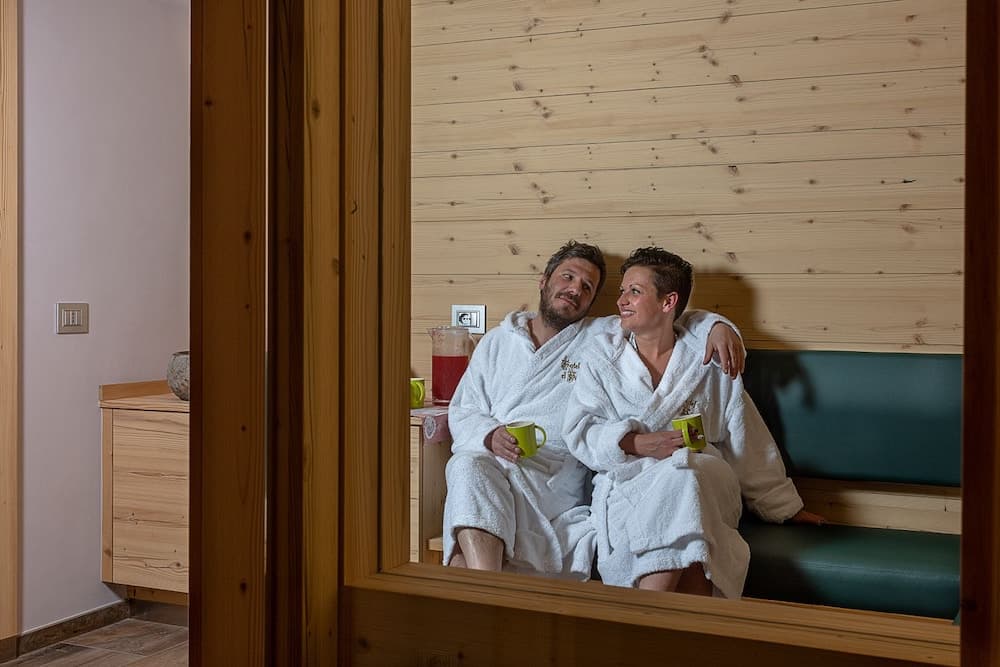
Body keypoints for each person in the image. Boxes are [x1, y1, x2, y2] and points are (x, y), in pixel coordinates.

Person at [442, 240, 747, 580]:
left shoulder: (599, 335)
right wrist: (489, 435)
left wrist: (718, 327)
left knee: (461, 559)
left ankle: (483, 597)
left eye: (587, 287)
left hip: (553, 480)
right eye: (568, 277)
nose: (575, 289)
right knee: (465, 465)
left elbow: (668, 318)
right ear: (544, 280)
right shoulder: (497, 341)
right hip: (496, 465)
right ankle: (489, 589)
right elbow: (464, 409)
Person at [562, 246, 823, 596]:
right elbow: (580, 430)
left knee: (684, 477)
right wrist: (637, 443)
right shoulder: (601, 357)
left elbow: (744, 434)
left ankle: (640, 612)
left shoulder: (707, 360)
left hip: (705, 482)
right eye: (623, 291)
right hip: (631, 486)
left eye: (634, 292)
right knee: (694, 544)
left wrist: (782, 506)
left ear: (668, 302)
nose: (621, 300)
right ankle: (679, 625)